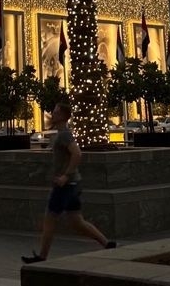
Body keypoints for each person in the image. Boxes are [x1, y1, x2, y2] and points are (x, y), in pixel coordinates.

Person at [22, 101, 116, 263]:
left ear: (63, 116)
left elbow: (77, 154)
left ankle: (42, 256)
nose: (53, 113)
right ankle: (107, 243)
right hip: (71, 184)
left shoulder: (64, 134)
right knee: (77, 221)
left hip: (65, 185)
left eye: (56, 112)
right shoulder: (59, 134)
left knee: (50, 219)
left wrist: (65, 175)